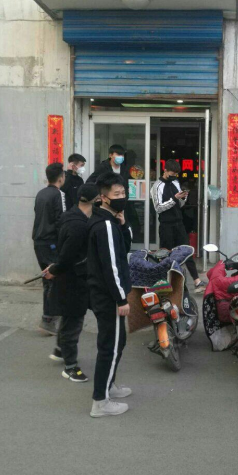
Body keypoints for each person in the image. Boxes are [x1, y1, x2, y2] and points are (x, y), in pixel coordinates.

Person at [87, 173, 133, 418]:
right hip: (108, 297)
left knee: (118, 341)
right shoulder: (104, 225)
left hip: (107, 294)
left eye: (123, 193)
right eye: (117, 194)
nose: (122, 197)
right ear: (104, 198)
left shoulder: (110, 221)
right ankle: (100, 402)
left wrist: (123, 224)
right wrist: (121, 298)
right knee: (110, 347)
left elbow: (124, 249)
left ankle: (109, 386)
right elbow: (112, 266)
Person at [43, 183, 100, 383]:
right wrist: (54, 270)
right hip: (73, 280)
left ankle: (60, 350)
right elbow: (67, 256)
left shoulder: (72, 216)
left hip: (73, 277)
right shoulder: (79, 225)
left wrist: (54, 267)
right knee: (73, 322)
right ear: (96, 200)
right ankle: (70, 367)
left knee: (70, 319)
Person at [150, 160, 207, 293]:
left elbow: (179, 205)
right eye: (172, 174)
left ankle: (197, 281)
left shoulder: (175, 182)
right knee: (166, 255)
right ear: (165, 170)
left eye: (176, 174)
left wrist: (183, 198)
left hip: (179, 223)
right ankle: (165, 284)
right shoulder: (157, 186)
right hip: (166, 225)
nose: (174, 176)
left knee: (187, 250)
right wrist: (174, 199)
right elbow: (158, 208)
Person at [32, 162, 66, 335]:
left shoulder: (41, 193)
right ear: (61, 178)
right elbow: (61, 220)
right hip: (51, 242)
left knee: (48, 279)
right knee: (54, 279)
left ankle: (50, 318)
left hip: (39, 242)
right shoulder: (58, 194)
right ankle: (48, 320)